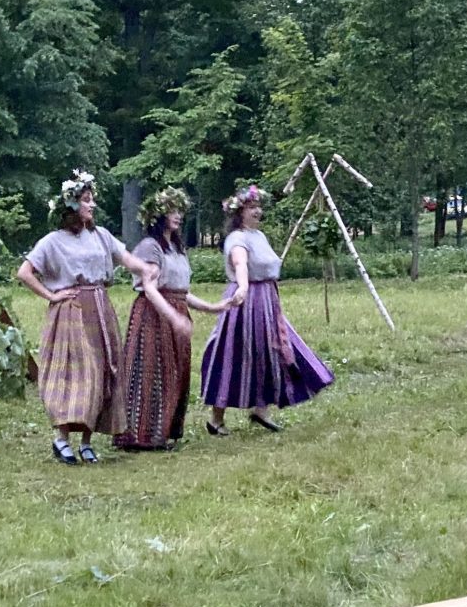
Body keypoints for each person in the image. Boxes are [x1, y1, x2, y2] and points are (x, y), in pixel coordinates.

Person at [17, 170, 171, 465]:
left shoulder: (100, 235)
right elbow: (25, 272)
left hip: (100, 308)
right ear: (72, 205)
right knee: (76, 372)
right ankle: (62, 439)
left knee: (101, 371)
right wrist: (51, 295)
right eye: (87, 200)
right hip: (71, 311)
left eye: (92, 200)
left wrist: (145, 269)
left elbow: (125, 257)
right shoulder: (53, 241)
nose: (92, 205)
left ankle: (87, 442)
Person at [201, 185, 334, 434]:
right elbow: (240, 263)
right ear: (239, 212)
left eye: (258, 207)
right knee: (234, 354)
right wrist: (242, 287)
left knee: (268, 352)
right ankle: (216, 419)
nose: (257, 211)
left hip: (266, 301)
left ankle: (261, 409)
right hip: (245, 303)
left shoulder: (259, 236)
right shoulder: (237, 238)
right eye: (251, 207)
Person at [115, 187, 229, 451]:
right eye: (171, 211)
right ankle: (142, 435)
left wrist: (214, 307)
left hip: (175, 310)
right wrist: (173, 317)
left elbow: (182, 292)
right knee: (152, 372)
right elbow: (151, 289)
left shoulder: (177, 248)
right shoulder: (150, 247)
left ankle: (164, 431)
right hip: (153, 316)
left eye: (179, 211)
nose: (177, 215)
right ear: (158, 216)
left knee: (175, 372)